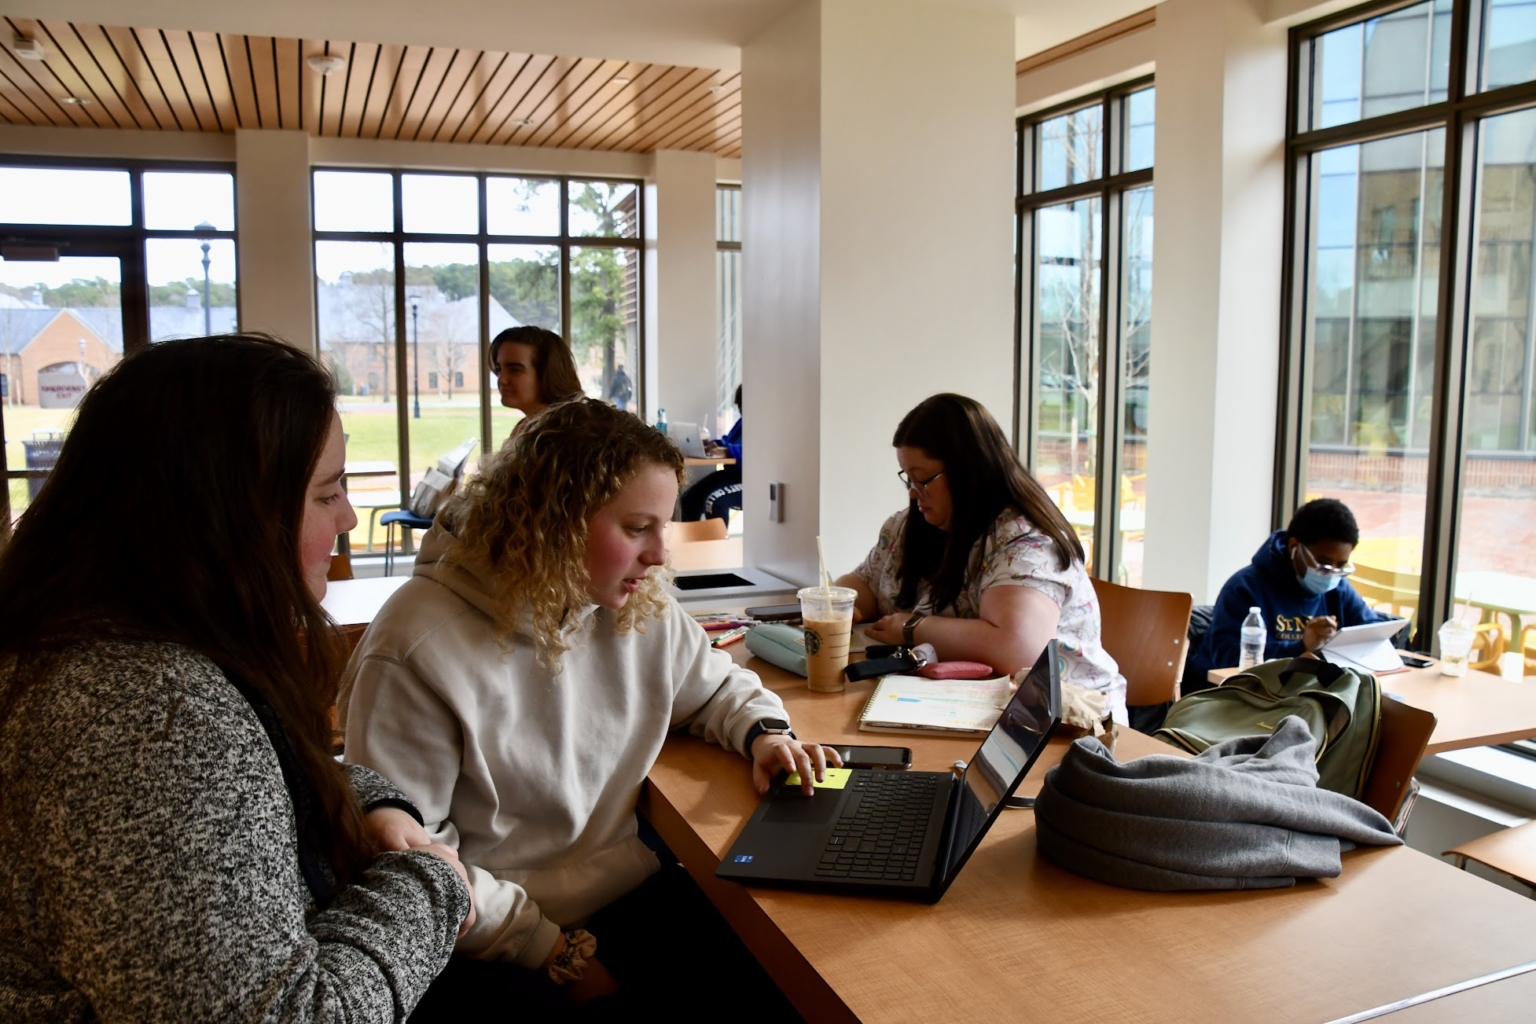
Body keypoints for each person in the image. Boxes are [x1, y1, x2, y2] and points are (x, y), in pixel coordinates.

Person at [0, 335, 474, 1021]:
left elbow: (253, 779)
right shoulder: (140, 718)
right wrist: (433, 880)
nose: (347, 519)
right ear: (227, 515)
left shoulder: (125, 649)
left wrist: (371, 803)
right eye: (328, 493)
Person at [339, 398, 836, 1019]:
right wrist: (557, 953)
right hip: (491, 941)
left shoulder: (625, 599)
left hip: (626, 895)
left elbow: (714, 686)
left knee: (791, 976)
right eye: (636, 529)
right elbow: (416, 864)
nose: (660, 553)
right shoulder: (416, 644)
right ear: (556, 521)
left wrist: (766, 734)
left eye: (663, 525)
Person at [835, 393, 1124, 722]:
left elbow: (1017, 649)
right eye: (908, 479)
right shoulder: (912, 524)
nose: (914, 493)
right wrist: (844, 604)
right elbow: (866, 583)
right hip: (956, 705)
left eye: (923, 479)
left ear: (967, 471)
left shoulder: (1027, 543)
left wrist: (913, 628)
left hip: (1065, 722)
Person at [1186, 497, 1397, 688]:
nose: (1331, 575)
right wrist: (1301, 646)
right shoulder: (1245, 587)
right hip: (1238, 697)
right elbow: (1226, 658)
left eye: (1340, 566)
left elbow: (1371, 632)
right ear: (1294, 546)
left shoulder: (1338, 589)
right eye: (1323, 564)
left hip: (1306, 695)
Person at [490, 325, 583, 430]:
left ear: (548, 374)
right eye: (499, 369)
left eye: (514, 370)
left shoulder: (568, 435)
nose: (501, 379)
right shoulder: (525, 427)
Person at [680, 383, 743, 522]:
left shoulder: (764, 423)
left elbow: (754, 453)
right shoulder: (742, 422)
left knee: (714, 501)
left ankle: (718, 544)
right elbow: (728, 441)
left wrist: (728, 451)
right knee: (689, 499)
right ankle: (691, 542)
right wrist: (714, 445)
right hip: (731, 475)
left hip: (749, 479)